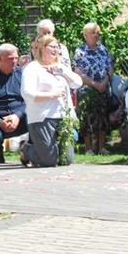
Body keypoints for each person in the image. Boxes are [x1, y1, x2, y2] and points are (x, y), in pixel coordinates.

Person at [20, 35, 83, 167]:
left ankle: (44, 152)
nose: (56, 50)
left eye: (57, 47)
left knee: (66, 159)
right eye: (52, 46)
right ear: (42, 48)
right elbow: (27, 93)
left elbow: (77, 83)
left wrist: (60, 71)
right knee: (49, 161)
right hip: (42, 117)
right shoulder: (33, 68)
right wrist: (51, 95)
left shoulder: (60, 67)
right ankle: (26, 150)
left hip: (63, 116)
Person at [73, 22, 114, 156]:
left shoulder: (103, 49)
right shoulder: (80, 51)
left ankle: (101, 146)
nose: (97, 35)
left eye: (98, 32)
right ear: (86, 36)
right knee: (87, 117)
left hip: (103, 86)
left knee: (102, 116)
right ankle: (88, 147)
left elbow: (110, 67)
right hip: (87, 88)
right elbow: (77, 71)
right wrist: (94, 84)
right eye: (93, 32)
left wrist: (104, 82)